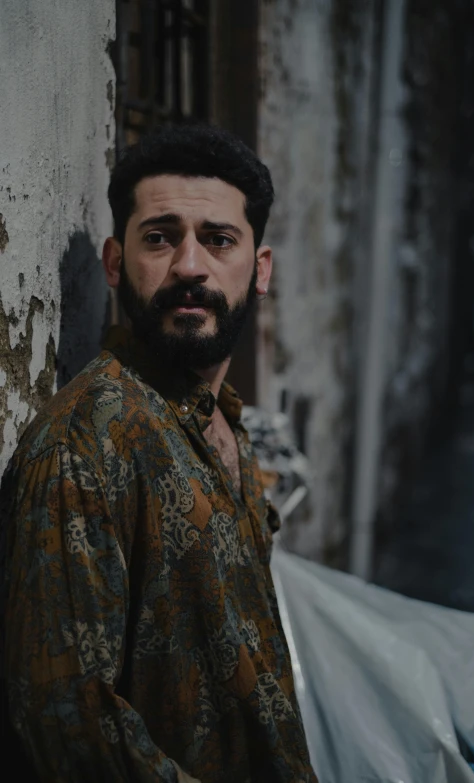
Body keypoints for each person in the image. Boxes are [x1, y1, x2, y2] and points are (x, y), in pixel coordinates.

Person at [2, 124, 317, 783]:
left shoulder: (225, 421)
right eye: (160, 237)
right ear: (116, 262)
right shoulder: (82, 447)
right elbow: (73, 733)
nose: (190, 266)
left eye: (219, 239)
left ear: (260, 270)